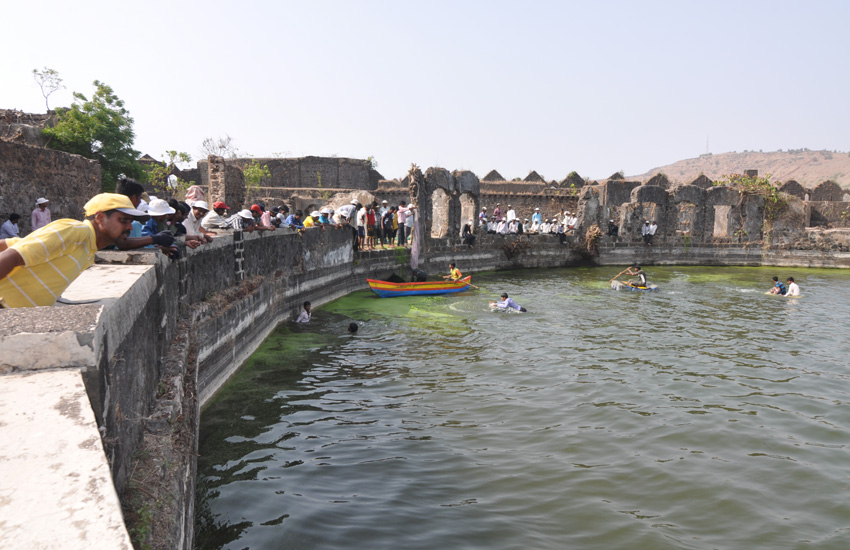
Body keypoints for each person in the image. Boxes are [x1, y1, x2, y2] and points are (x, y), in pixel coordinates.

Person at [0, 193, 147, 308]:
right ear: (100, 217)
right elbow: (12, 255)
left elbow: (13, 244)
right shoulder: (76, 232)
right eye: (124, 220)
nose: (130, 227)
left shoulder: (87, 248)